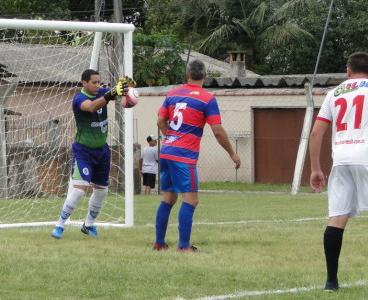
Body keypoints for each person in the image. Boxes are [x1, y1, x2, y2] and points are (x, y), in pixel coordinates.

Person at [309, 52, 368, 292]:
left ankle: (331, 282)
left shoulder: (334, 93)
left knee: (337, 219)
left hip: (340, 160)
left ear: (347, 71)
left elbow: (316, 133)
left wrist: (316, 168)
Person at [153, 60, 241, 252]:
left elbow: (160, 121)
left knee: (168, 198)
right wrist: (232, 153)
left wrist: (171, 138)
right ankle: (183, 246)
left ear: (187, 75)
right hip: (184, 156)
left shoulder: (172, 94)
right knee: (191, 200)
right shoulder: (207, 99)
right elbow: (217, 130)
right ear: (205, 76)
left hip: (167, 151)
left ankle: (159, 243)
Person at [51, 69, 133, 239]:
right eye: (94, 82)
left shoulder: (102, 92)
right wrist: (111, 94)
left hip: (102, 151)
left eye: (99, 82)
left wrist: (126, 90)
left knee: (101, 191)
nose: (98, 85)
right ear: (84, 83)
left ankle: (88, 225)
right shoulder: (79, 99)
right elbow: (91, 106)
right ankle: (59, 225)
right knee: (80, 190)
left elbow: (117, 95)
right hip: (83, 151)